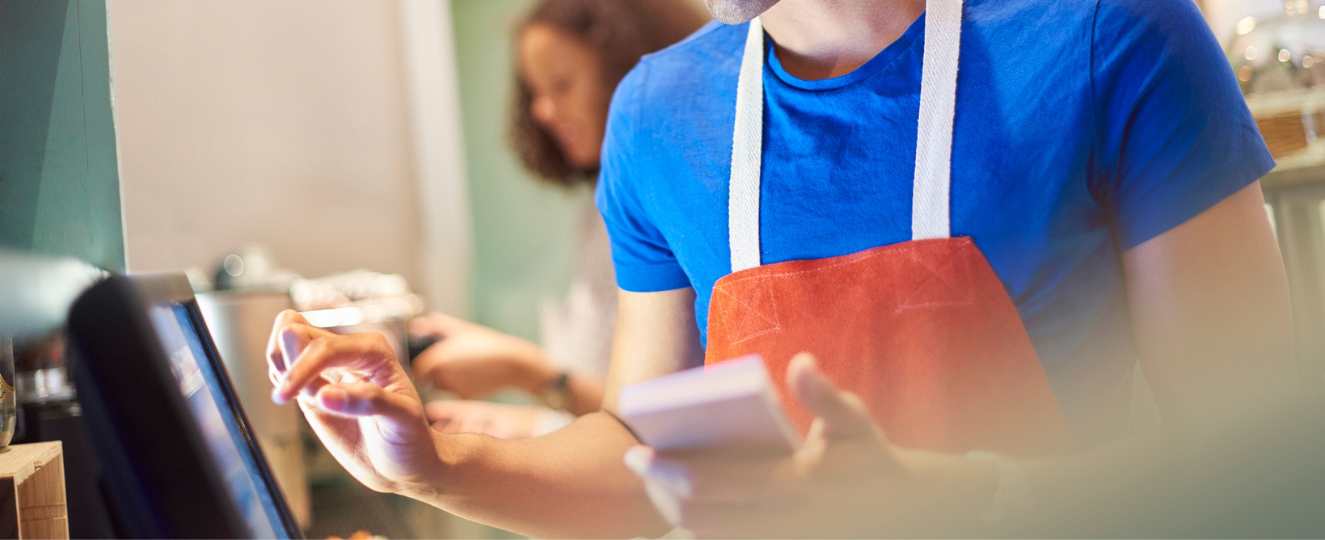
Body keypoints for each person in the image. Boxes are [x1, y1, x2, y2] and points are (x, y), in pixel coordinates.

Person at [266, 0, 1297, 537]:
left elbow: (1261, 465)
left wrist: (968, 506)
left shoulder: (1108, 40)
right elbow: (639, 462)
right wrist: (435, 465)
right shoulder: (658, 117)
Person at [410, 0, 708, 439]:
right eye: (535, 92)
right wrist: (523, 424)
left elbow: (671, 423)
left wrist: (526, 372)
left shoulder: (680, 207)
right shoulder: (598, 212)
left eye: (561, 84)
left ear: (627, 71)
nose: (542, 112)